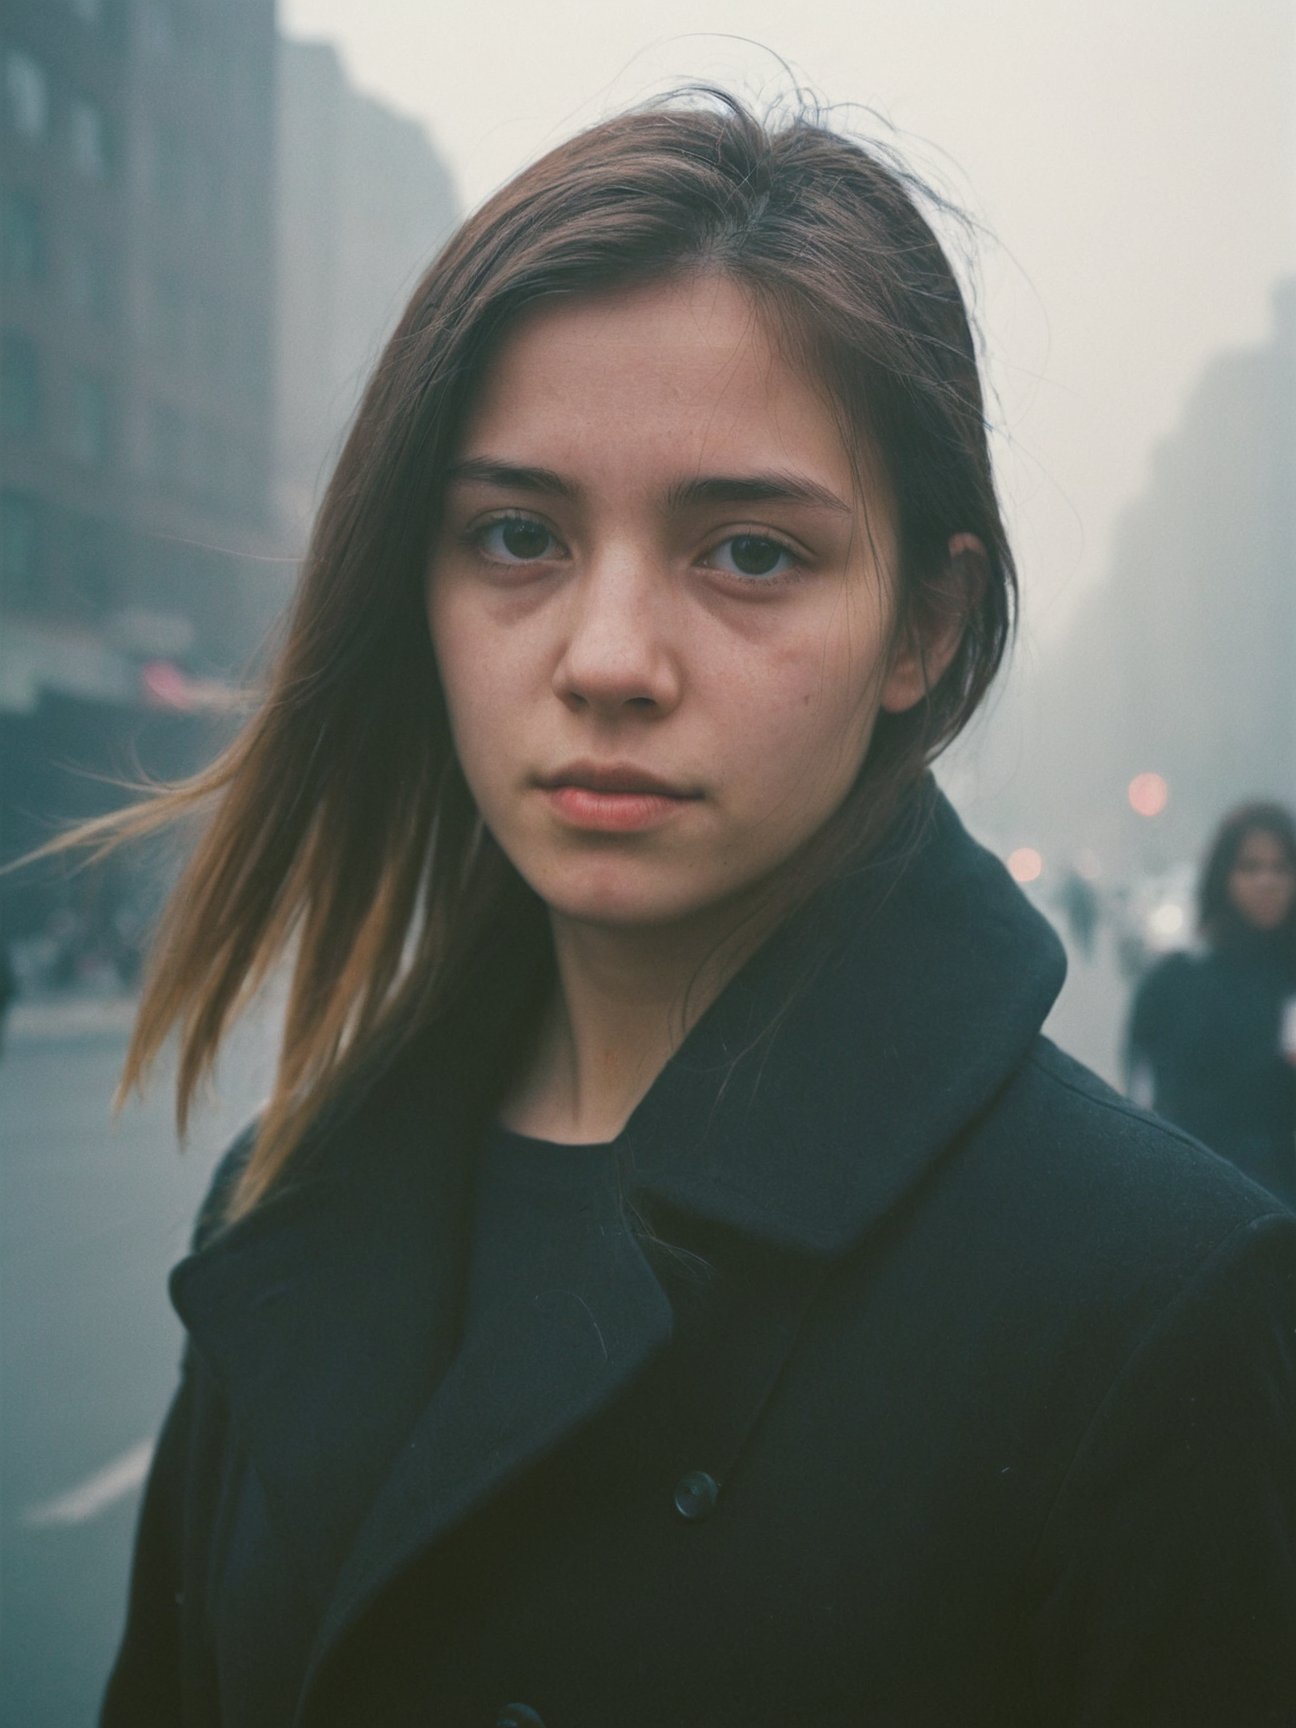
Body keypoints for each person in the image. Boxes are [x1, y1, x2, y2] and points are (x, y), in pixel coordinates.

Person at [90, 95, 1292, 1727]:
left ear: (921, 625)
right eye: (518, 535)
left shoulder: (1165, 1300)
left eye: (745, 551)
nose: (606, 656)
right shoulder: (282, 1203)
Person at [1127, 801, 1296, 1209]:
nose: (1267, 881)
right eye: (1250, 867)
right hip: (1222, 1205)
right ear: (1223, 875)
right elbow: (1159, 1106)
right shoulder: (1178, 980)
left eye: (1281, 867)